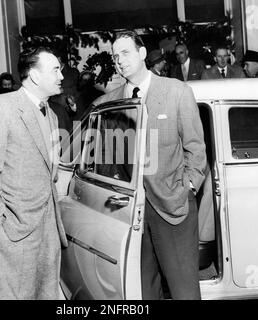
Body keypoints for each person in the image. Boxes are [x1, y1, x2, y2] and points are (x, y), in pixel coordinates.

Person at [92, 30, 207, 300]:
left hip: (173, 206)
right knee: (142, 291)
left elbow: (196, 148)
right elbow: (109, 160)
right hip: (131, 214)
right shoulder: (112, 102)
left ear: (142, 53)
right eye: (115, 56)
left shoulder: (177, 91)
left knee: (184, 291)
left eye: (126, 53)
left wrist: (188, 186)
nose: (119, 60)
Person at [0, 46, 68, 300]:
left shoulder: (53, 116)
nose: (62, 76)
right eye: (56, 70)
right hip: (14, 230)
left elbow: (49, 171)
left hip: (48, 228)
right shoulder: (1, 107)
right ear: (35, 76)